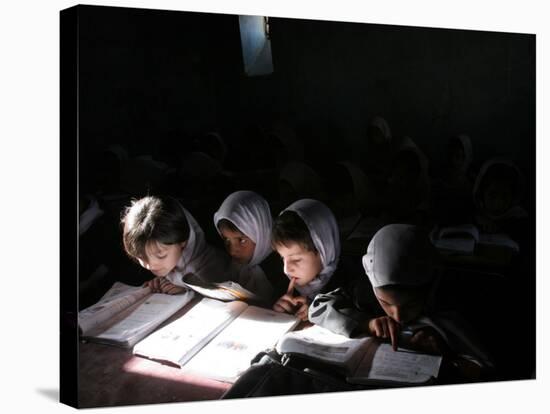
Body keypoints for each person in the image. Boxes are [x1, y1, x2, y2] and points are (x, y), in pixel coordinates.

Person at [309, 224, 493, 373]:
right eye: (386, 303)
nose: (397, 316)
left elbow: (487, 370)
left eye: (411, 304)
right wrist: (366, 323)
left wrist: (445, 356)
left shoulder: (450, 304)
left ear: (429, 288)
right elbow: (319, 306)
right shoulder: (364, 291)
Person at [121, 195, 231, 294]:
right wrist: (163, 281)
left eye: (161, 255)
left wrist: (186, 290)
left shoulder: (215, 266)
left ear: (183, 242)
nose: (150, 265)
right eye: (141, 256)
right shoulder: (167, 261)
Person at [271, 199, 346, 321]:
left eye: (296, 260)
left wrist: (317, 310)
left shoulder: (348, 285)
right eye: (282, 258)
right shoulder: (281, 286)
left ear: (324, 250)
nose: (286, 269)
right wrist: (279, 312)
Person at [213, 191, 287, 304]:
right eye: (226, 240)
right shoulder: (237, 264)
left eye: (241, 240)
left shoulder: (283, 270)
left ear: (260, 232)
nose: (232, 250)